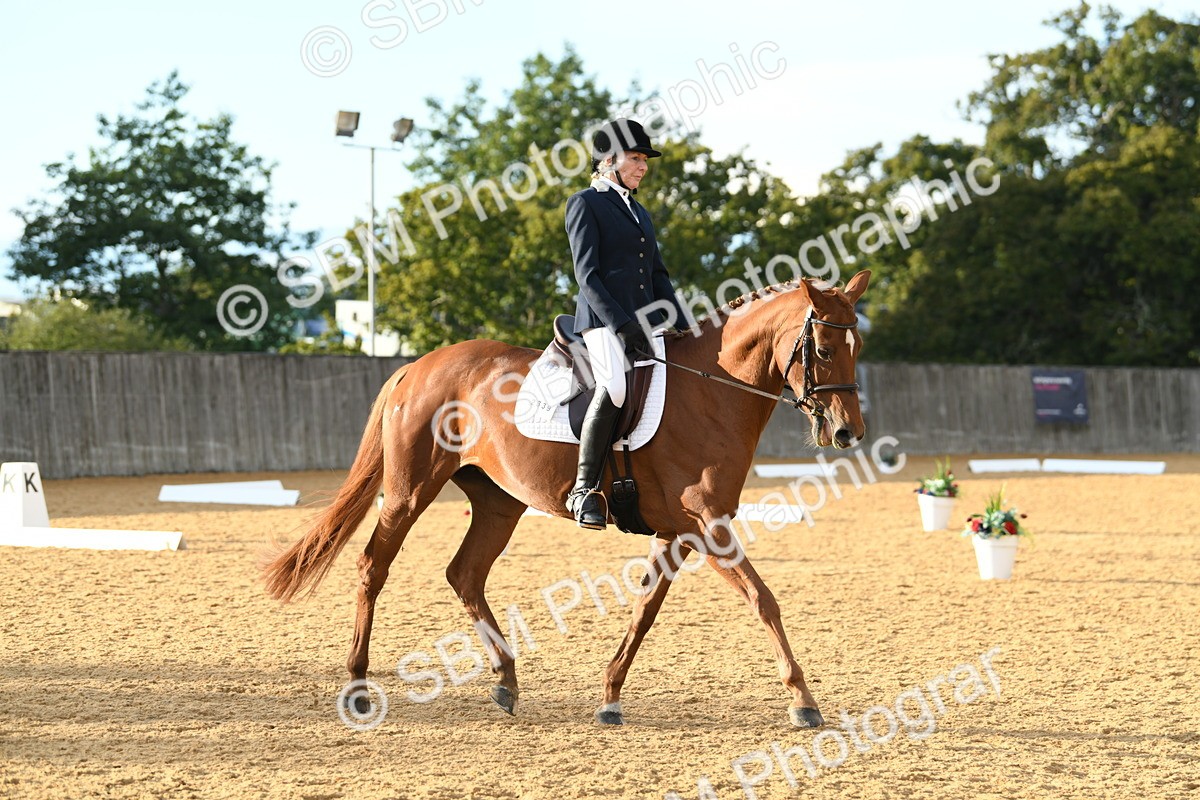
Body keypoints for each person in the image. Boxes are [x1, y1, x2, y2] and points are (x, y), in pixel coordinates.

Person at [562, 118, 688, 530]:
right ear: (610, 160)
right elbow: (588, 276)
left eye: (643, 159)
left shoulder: (640, 213)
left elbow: (658, 276)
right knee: (615, 385)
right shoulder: (585, 203)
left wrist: (683, 323)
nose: (643, 166)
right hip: (601, 320)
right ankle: (583, 490)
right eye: (636, 158)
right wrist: (620, 324)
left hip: (644, 322)